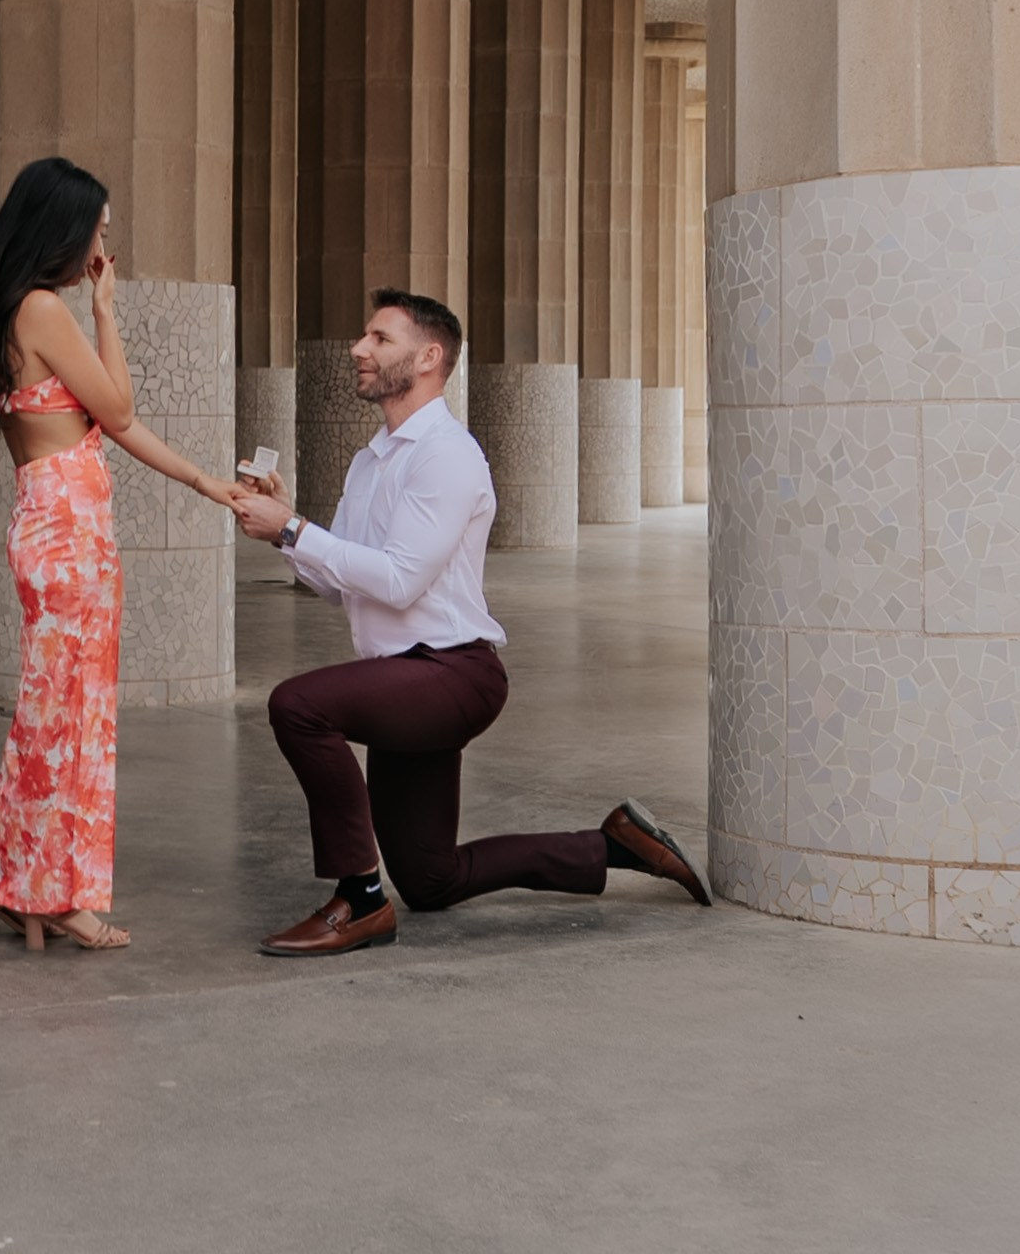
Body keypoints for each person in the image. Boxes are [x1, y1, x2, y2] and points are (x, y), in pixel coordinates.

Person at [232, 288, 712, 957]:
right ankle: (613, 846)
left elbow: (400, 580)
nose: (358, 348)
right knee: (431, 879)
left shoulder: (446, 454)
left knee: (298, 706)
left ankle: (360, 900)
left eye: (379, 338)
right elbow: (342, 585)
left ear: (429, 357)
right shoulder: (372, 459)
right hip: (404, 676)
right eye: (364, 336)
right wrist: (287, 531)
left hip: (451, 673)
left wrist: (293, 528)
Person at [0, 154, 241, 952]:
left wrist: (202, 481)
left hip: (57, 523)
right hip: (65, 532)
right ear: (64, 227)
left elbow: (118, 425)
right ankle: (48, 893)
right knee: (65, 720)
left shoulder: (12, 308)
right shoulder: (43, 309)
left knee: (61, 714)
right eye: (99, 231)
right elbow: (116, 408)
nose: (103, 249)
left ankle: (11, 884)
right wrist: (108, 312)